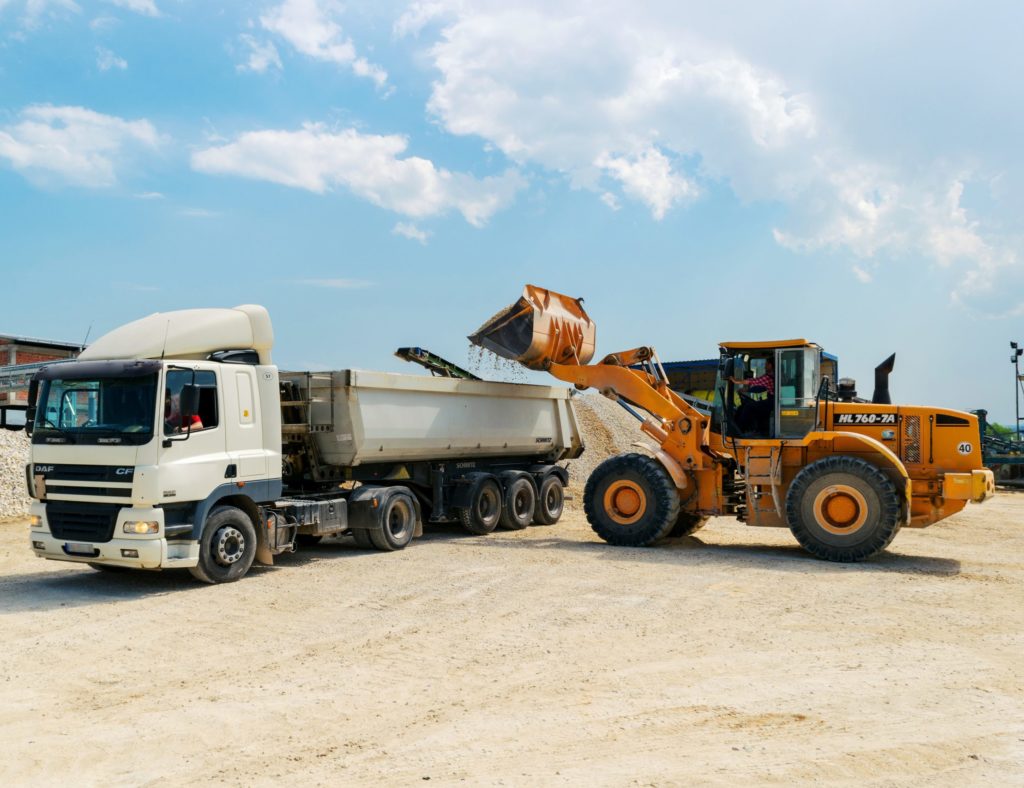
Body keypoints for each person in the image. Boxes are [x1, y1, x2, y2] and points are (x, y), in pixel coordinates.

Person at [729, 358, 775, 435]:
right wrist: (747, 390)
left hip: (772, 403)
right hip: (772, 402)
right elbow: (761, 388)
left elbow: (754, 381)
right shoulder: (773, 376)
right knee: (753, 405)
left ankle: (740, 430)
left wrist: (736, 381)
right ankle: (757, 429)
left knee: (748, 406)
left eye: (766, 364)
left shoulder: (768, 377)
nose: (765, 367)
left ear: (770, 365)